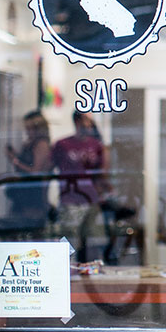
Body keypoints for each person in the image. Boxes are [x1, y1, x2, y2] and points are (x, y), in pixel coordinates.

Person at [53, 110, 109, 261]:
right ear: (77, 121)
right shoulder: (62, 145)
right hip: (69, 199)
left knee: (94, 243)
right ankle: (69, 277)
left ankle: (93, 276)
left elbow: (102, 173)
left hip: (91, 199)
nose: (89, 124)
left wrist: (104, 192)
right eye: (86, 120)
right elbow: (47, 169)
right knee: (69, 244)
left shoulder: (96, 145)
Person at [4, 110, 53, 233]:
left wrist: (15, 161)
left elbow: (35, 171)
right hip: (23, 195)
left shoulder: (41, 145)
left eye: (30, 128)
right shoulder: (29, 144)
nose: (27, 131)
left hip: (33, 197)